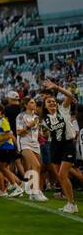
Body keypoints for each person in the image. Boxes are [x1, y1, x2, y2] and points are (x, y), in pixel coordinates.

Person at [40, 80, 79, 213]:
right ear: (45, 106)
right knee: (60, 176)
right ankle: (69, 203)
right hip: (55, 146)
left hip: (68, 144)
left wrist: (56, 87)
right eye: (48, 102)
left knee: (63, 174)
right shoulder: (45, 119)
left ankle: (72, 203)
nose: (52, 103)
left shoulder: (63, 109)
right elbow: (46, 134)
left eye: (53, 101)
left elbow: (69, 95)